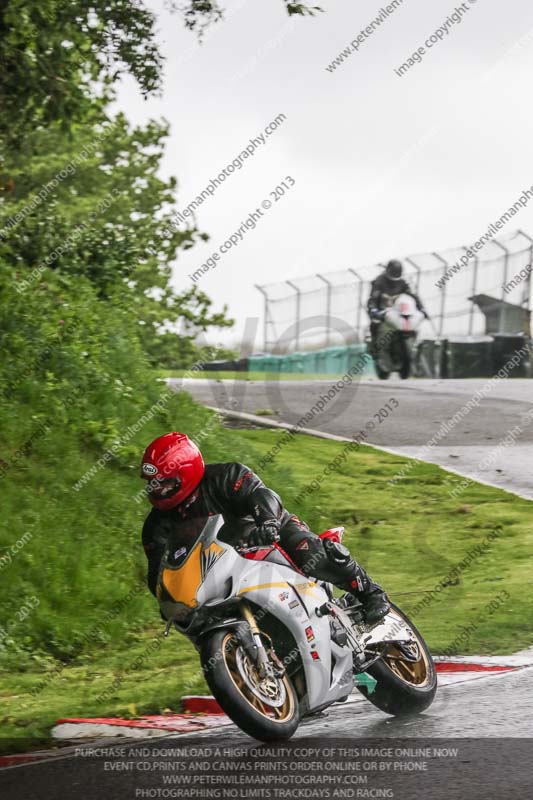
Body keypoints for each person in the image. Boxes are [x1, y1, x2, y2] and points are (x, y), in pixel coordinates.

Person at [140, 432, 390, 624]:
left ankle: (371, 593)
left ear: (185, 472)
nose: (157, 489)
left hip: (267, 536)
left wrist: (268, 523)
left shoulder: (225, 475)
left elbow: (260, 494)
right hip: (219, 573)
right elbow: (159, 574)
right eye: (152, 484)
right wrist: (170, 601)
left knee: (308, 553)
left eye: (163, 482)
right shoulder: (155, 526)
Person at [367, 259, 428, 357]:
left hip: (399, 312)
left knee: (413, 322)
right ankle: (375, 347)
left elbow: (414, 295)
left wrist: (422, 309)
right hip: (383, 310)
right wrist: (373, 309)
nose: (393, 281)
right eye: (391, 277)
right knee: (374, 323)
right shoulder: (378, 281)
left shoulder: (404, 281)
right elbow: (373, 299)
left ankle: (415, 344)